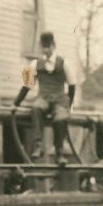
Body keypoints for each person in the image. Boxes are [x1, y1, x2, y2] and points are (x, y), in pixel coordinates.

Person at [13, 32, 78, 164]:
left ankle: (59, 152)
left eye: (48, 47)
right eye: (43, 47)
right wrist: (16, 103)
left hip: (60, 99)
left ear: (54, 46)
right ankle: (38, 146)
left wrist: (69, 107)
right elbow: (26, 86)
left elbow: (72, 86)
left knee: (60, 118)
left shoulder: (64, 63)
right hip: (43, 97)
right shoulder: (34, 64)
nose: (46, 50)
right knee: (36, 108)